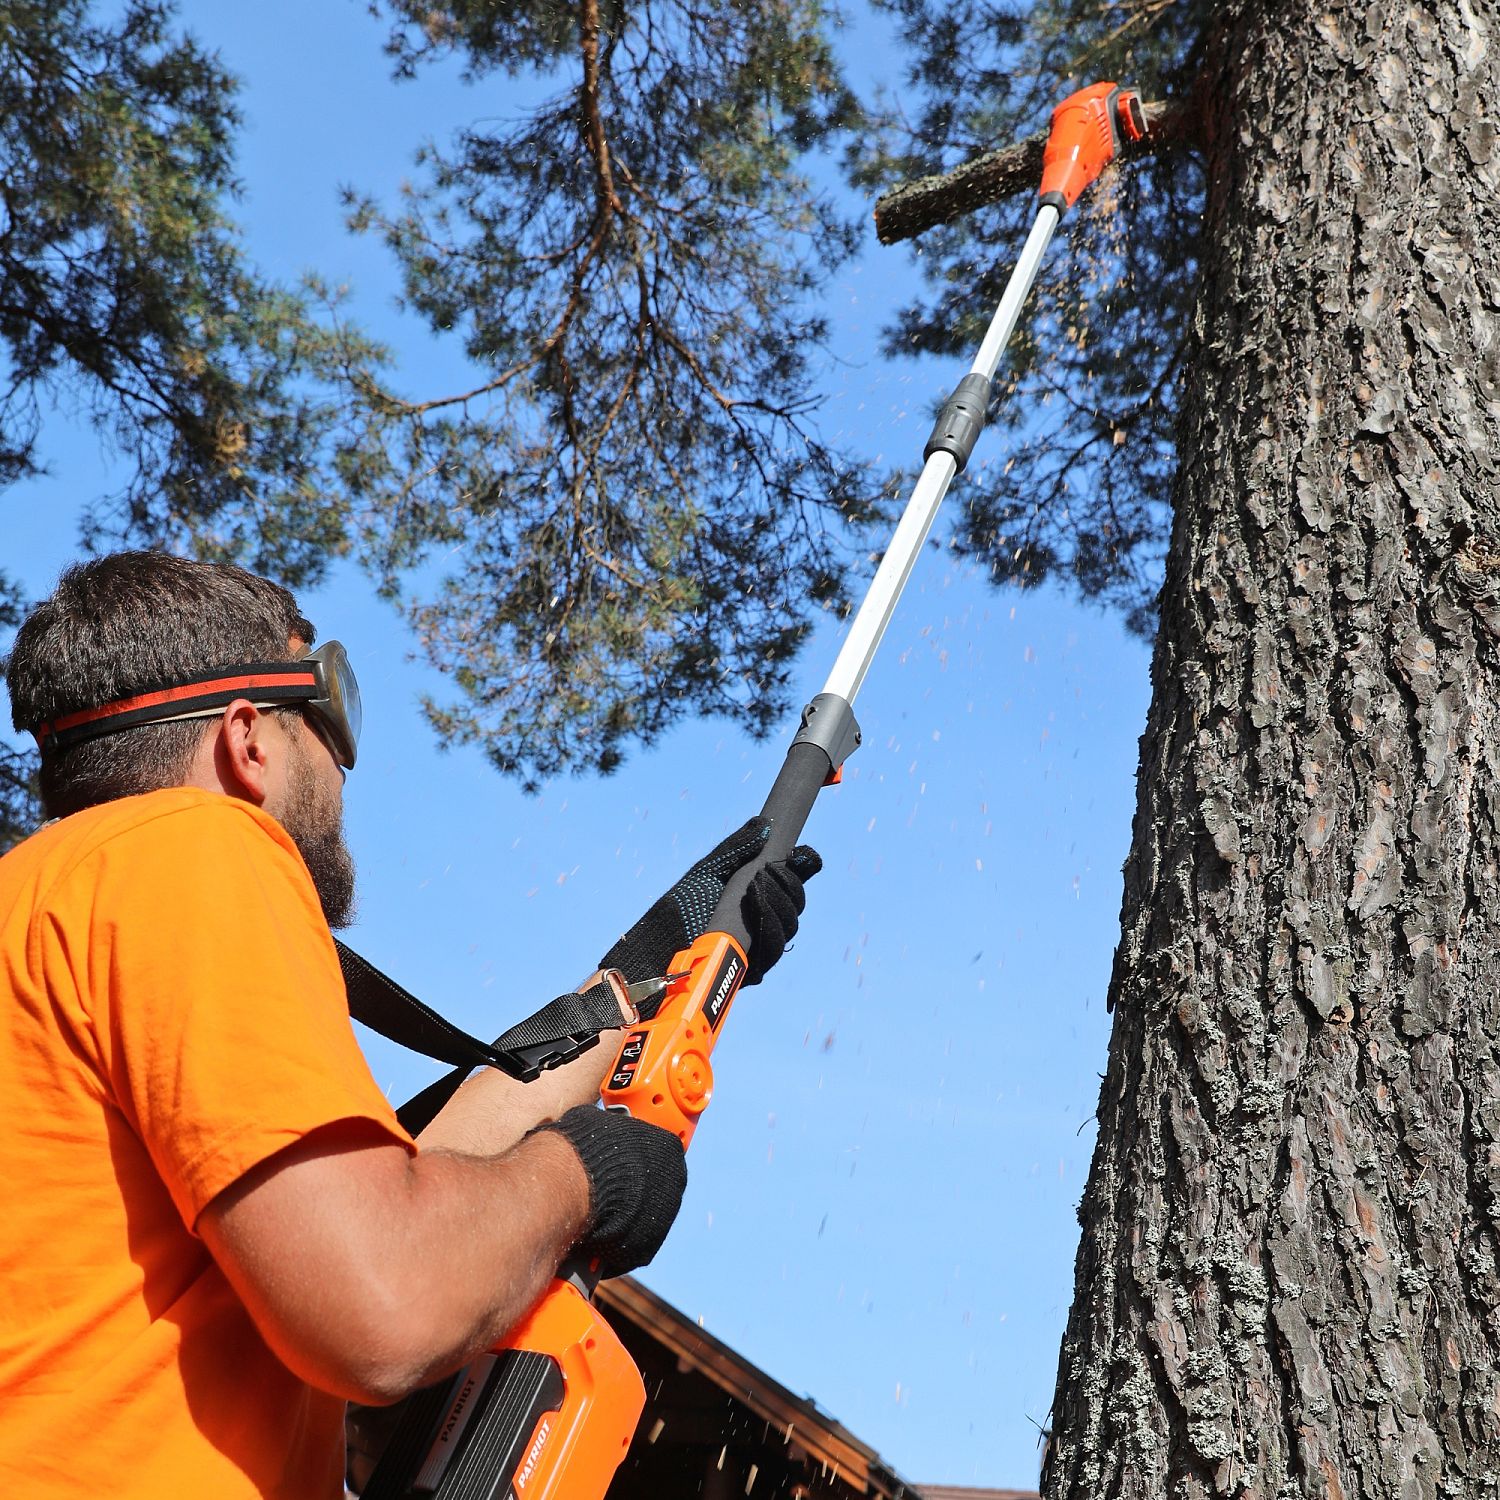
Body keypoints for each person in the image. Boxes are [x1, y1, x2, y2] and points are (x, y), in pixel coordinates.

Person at [0, 551, 819, 1499]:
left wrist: (646, 979)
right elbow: (386, 1298)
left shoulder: (57, 904)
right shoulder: (196, 850)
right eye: (329, 724)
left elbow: (403, 1193)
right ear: (247, 742)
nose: (343, 774)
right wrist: (583, 1176)